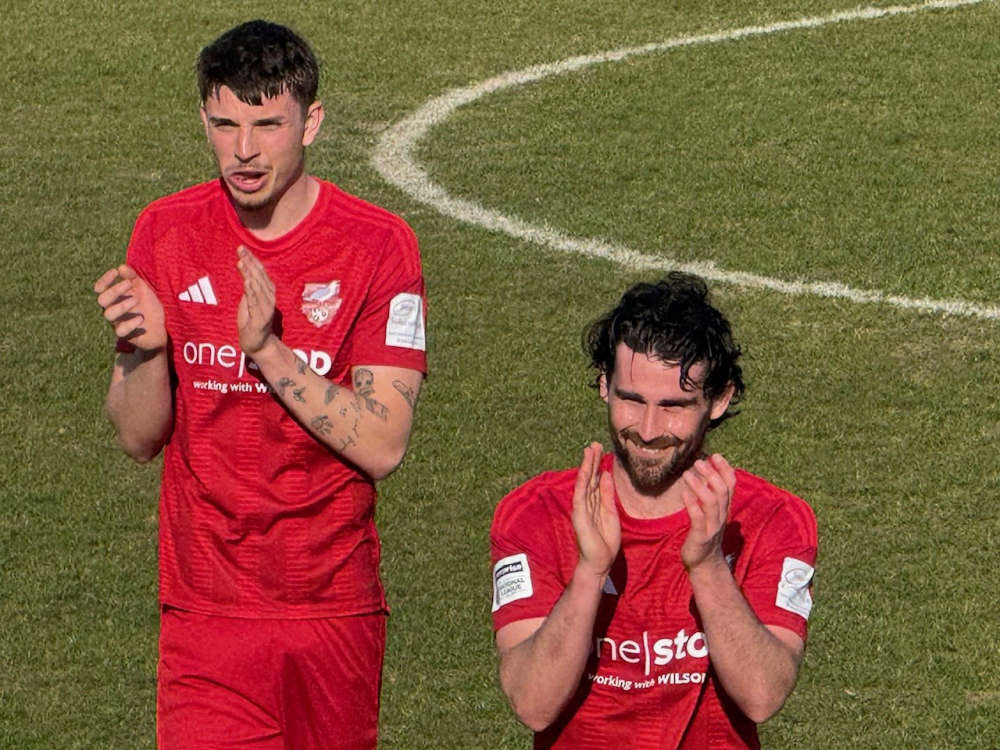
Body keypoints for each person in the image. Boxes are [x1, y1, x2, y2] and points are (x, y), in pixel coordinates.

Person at [93, 20, 426, 750]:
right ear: (203, 122)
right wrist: (146, 350)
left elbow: (383, 445)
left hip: (330, 610)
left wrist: (267, 351)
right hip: (204, 611)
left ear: (312, 122)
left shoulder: (378, 245)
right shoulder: (165, 233)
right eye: (225, 125)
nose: (244, 150)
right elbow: (139, 437)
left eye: (268, 125)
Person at [490, 274, 817, 749]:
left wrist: (708, 565)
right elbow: (533, 703)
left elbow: (762, 695)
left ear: (719, 400)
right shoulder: (535, 514)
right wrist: (590, 571)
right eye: (631, 400)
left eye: (673, 406)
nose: (647, 430)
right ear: (604, 384)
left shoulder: (771, 519)